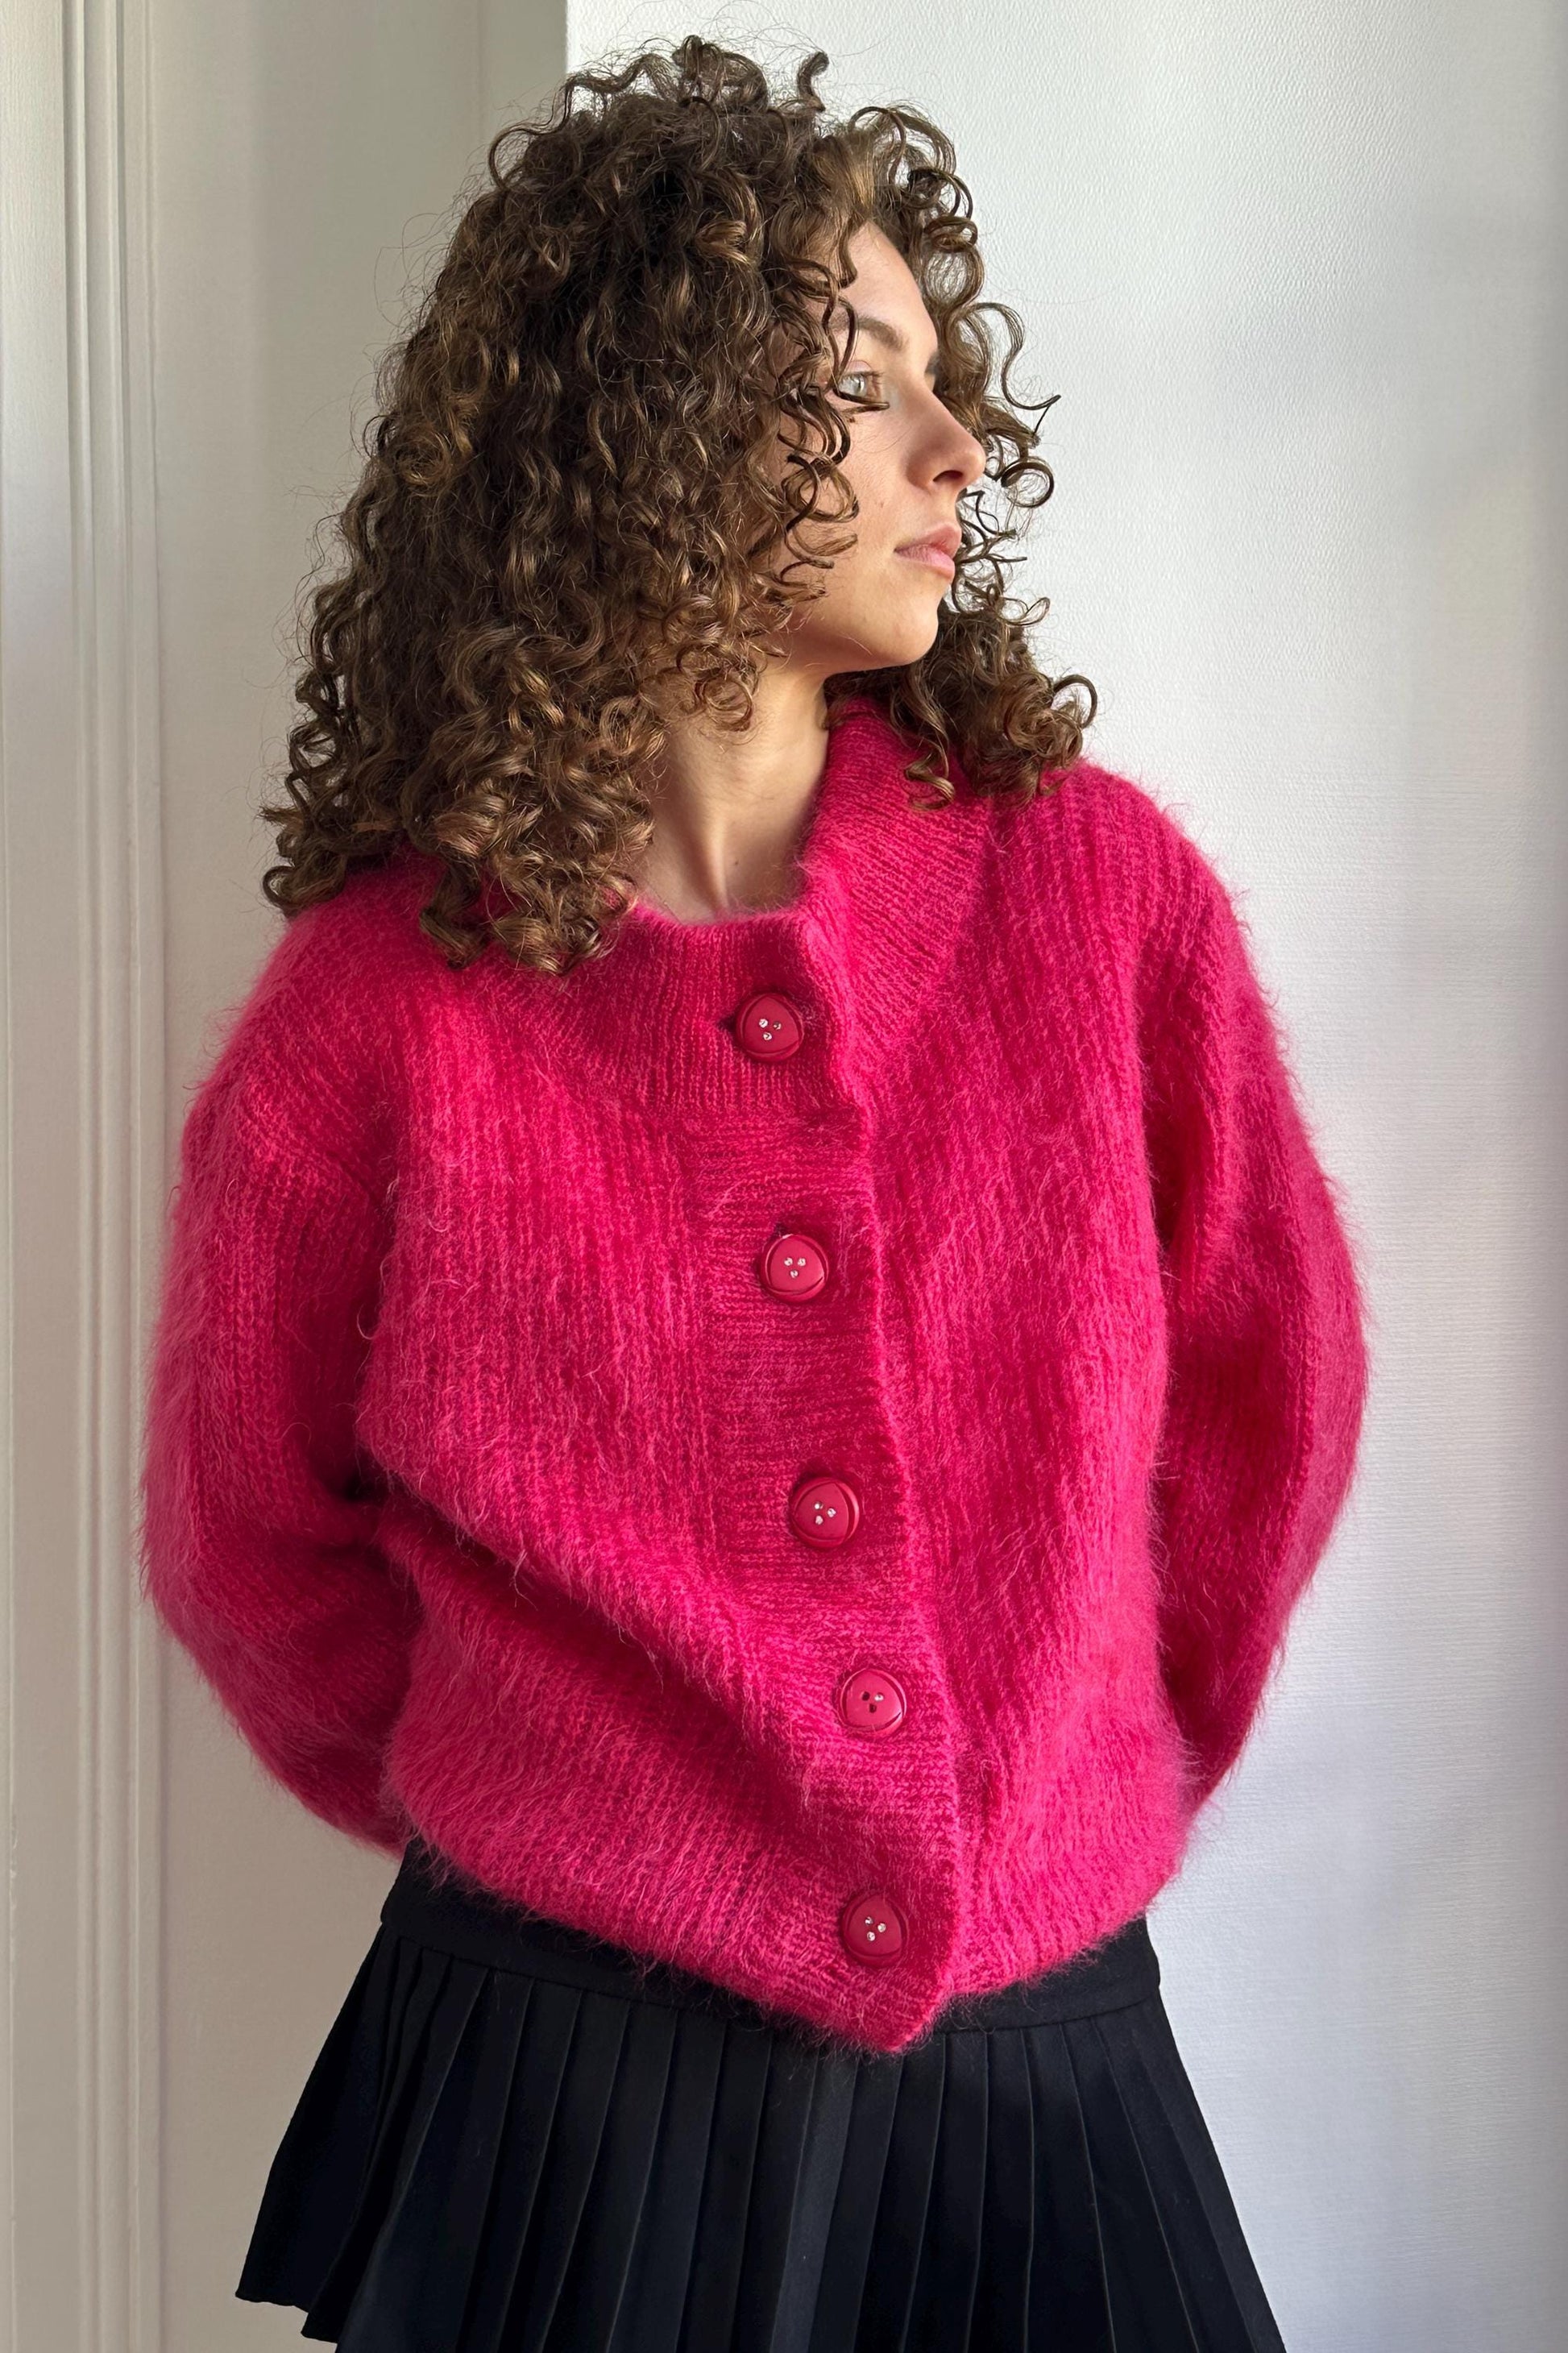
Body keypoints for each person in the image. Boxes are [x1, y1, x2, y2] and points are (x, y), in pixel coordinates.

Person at [136, 35, 1371, 2353]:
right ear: (641, 430)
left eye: (946, 379)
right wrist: (570, 1806)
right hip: (560, 2075)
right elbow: (249, 1544)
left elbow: (1257, 1402)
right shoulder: (378, 1012)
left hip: (1045, 2046)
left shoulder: (1097, 908)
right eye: (856, 381)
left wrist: (1056, 1784)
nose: (956, 451)